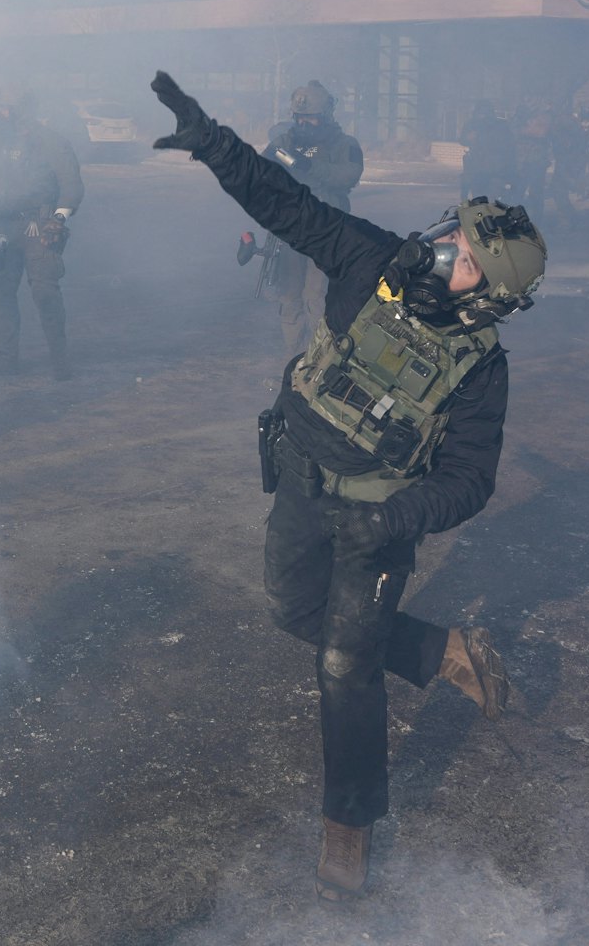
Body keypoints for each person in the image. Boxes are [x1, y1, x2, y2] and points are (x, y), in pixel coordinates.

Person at [147, 69, 546, 903]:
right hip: (301, 474)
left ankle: (349, 826)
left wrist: (397, 518)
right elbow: (287, 205)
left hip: (377, 517)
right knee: (293, 610)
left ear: (488, 298)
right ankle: (441, 652)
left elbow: (470, 479)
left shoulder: (480, 369)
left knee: (344, 663)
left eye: (467, 259)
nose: (445, 250)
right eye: (453, 234)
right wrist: (214, 143)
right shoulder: (374, 260)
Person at [0, 87, 85, 379]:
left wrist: (59, 219)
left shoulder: (50, 142)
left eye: (6, 108)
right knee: (1, 293)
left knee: (45, 292)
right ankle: (6, 357)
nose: (1, 114)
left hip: (39, 225)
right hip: (2, 226)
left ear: (23, 110)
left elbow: (71, 185)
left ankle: (60, 359)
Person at [262, 82, 367, 352]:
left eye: (310, 118)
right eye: (299, 117)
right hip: (291, 231)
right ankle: (294, 354)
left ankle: (319, 358)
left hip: (327, 233)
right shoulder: (286, 141)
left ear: (325, 116)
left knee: (317, 295)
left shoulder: (344, 144)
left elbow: (348, 175)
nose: (304, 123)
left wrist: (309, 166)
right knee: (289, 295)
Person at [459, 101, 515, 203]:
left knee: (492, 196)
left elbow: (509, 144)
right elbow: (463, 140)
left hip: (496, 167)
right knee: (478, 195)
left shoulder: (501, 125)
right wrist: (469, 137)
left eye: (485, 113)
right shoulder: (472, 124)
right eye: (480, 113)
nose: (483, 116)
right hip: (477, 165)